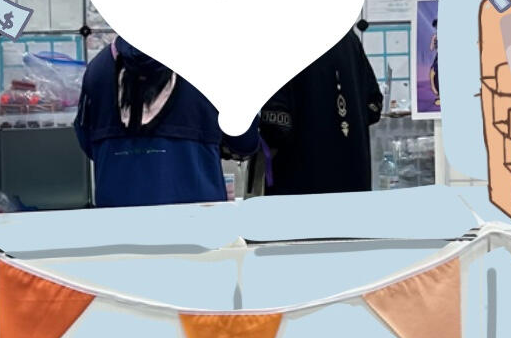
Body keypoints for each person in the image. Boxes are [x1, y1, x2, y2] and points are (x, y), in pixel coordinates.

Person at [74, 38, 256, 208]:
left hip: (118, 212)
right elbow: (245, 143)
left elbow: (86, 141)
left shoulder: (98, 68)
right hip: (197, 211)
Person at [258, 29, 383, 197]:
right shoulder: (348, 37)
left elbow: (276, 126)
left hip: (303, 182)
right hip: (353, 178)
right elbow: (373, 106)